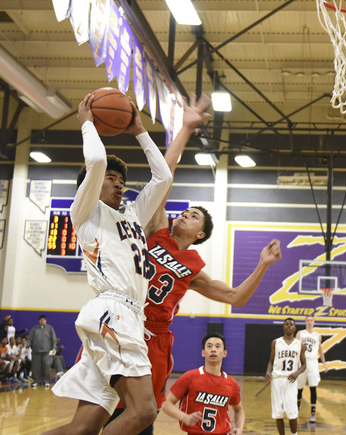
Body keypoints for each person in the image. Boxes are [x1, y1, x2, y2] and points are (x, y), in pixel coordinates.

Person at [106, 94, 281, 435]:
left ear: (200, 234)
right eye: (186, 211)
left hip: (155, 339)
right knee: (104, 404)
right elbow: (164, 176)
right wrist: (185, 129)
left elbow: (234, 297)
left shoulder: (192, 267)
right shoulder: (157, 229)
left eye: (194, 215)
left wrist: (262, 265)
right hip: (123, 321)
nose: (185, 213)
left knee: (144, 415)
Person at [46, 92, 172, 435]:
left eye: (121, 181)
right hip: (112, 313)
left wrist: (140, 131)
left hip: (126, 317)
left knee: (82, 429)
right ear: (88, 186)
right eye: (111, 180)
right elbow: (98, 162)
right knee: (144, 411)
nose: (118, 184)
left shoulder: (131, 215)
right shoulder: (85, 211)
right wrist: (88, 123)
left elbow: (163, 179)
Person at [162, 332, 244, 435]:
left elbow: (239, 410)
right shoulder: (190, 377)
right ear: (203, 352)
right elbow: (166, 404)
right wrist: (184, 417)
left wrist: (239, 428)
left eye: (218, 346)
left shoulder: (232, 384)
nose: (213, 349)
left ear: (224, 353)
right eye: (209, 346)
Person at [266, 318, 306, 435]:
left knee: (292, 412)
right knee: (278, 412)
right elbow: (271, 361)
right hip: (277, 380)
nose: (288, 326)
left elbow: (304, 364)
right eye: (286, 324)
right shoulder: (276, 342)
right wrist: (268, 371)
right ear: (283, 327)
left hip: (291, 380)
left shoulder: (299, 345)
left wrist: (297, 373)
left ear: (294, 328)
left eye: (291, 324)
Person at [295, 314, 328, 423]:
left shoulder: (317, 335)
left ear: (314, 323)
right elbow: (294, 348)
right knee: (299, 388)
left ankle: (312, 413)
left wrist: (324, 364)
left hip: (313, 362)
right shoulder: (300, 333)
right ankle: (297, 407)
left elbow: (320, 350)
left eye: (311, 320)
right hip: (303, 361)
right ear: (305, 322)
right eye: (308, 320)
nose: (309, 322)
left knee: (313, 387)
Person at [29, 315, 57, 388]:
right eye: (41, 320)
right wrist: (27, 346)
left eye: (44, 320)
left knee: (46, 366)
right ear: (39, 321)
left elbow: (54, 339)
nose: (42, 321)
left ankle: (46, 381)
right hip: (36, 351)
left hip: (46, 351)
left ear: (46, 320)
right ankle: (37, 381)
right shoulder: (34, 329)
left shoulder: (50, 328)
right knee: (36, 367)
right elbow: (30, 338)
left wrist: (54, 347)